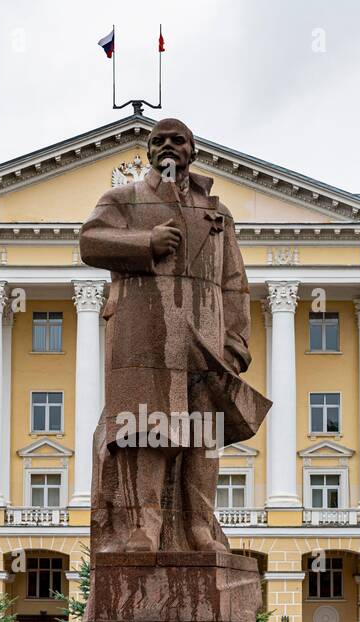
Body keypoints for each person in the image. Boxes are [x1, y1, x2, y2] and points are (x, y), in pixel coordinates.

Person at [79, 118, 269, 553]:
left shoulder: (218, 213)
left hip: (203, 338)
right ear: (148, 152)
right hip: (144, 337)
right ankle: (144, 528)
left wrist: (235, 344)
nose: (168, 146)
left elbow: (234, 281)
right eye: (158, 140)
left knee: (202, 433)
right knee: (146, 431)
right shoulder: (123, 199)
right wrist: (146, 242)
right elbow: (90, 242)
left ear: (192, 151)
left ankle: (200, 528)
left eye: (177, 140)